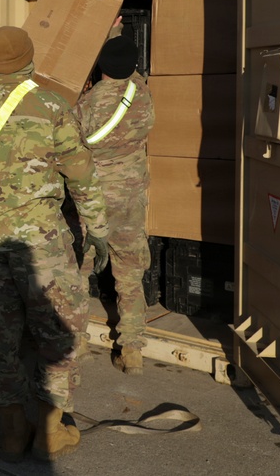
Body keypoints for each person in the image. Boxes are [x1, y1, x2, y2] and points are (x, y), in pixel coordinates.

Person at [0, 26, 109, 462]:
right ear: (29, 60)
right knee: (59, 331)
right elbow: (82, 175)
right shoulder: (52, 106)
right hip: (44, 244)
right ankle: (51, 433)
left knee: (0, 336)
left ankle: (13, 431)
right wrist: (98, 228)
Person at [75, 35, 155, 375]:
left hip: (92, 199)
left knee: (78, 268)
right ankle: (132, 349)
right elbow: (133, 74)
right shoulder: (143, 96)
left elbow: (70, 143)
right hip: (129, 199)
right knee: (129, 272)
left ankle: (75, 342)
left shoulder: (86, 104)